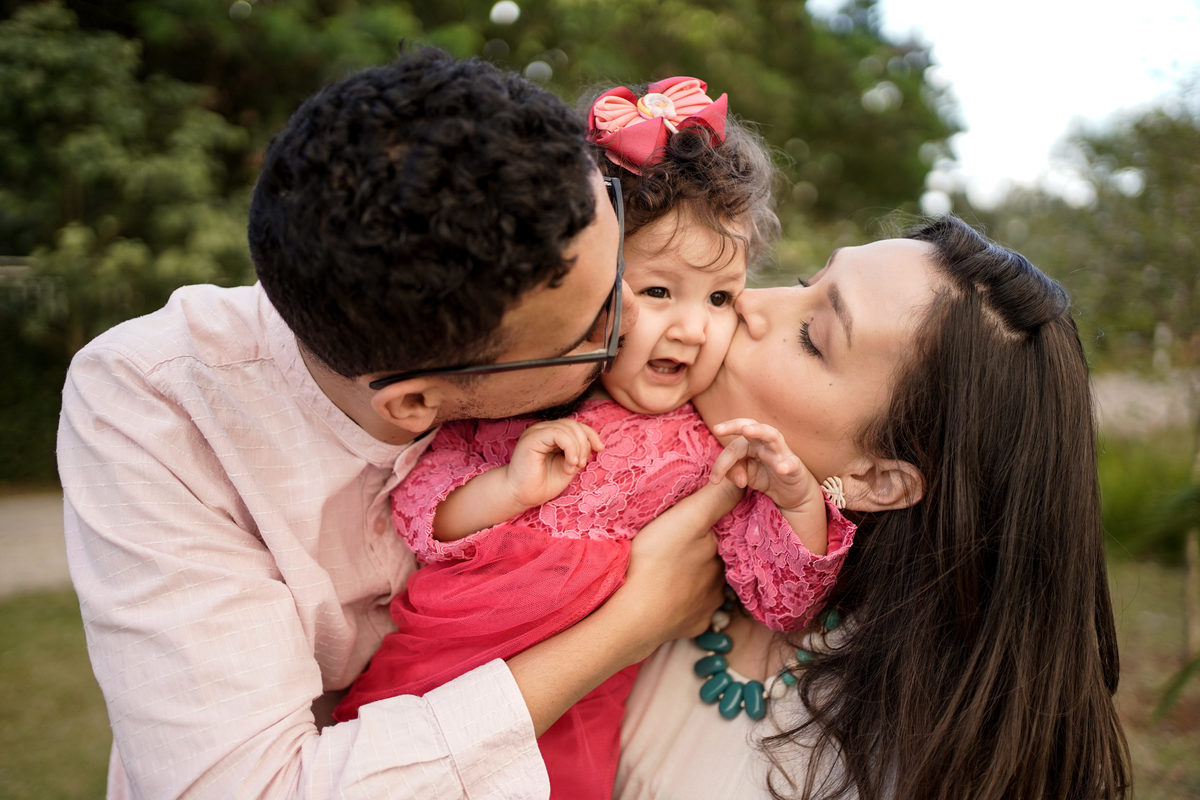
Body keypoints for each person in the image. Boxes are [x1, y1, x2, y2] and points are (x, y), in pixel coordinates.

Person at [56, 48, 729, 799]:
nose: (638, 318)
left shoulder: (533, 330)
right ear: (415, 405)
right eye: (596, 329)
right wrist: (629, 625)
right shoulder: (158, 403)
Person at [332, 78, 856, 799]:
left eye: (720, 297)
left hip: (576, 708)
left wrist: (796, 501)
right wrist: (509, 487)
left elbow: (779, 591)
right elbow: (422, 513)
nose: (692, 327)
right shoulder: (522, 399)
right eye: (658, 291)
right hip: (434, 662)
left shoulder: (713, 446)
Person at [616, 216, 1132, 799]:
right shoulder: (629, 456)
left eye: (812, 335)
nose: (750, 301)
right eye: (804, 281)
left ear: (877, 479)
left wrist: (630, 624)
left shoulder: (894, 760)